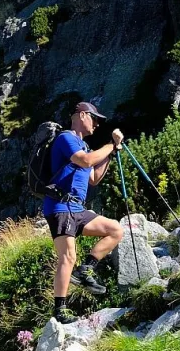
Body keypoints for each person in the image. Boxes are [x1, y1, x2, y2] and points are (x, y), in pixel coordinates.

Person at [44, 101, 125, 324]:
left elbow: (94, 178)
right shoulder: (66, 138)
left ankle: (86, 269)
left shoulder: (85, 146)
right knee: (68, 256)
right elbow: (85, 161)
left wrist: (111, 153)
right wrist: (110, 145)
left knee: (115, 230)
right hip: (60, 207)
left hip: (77, 208)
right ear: (82, 115)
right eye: (94, 119)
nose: (96, 124)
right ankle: (60, 310)